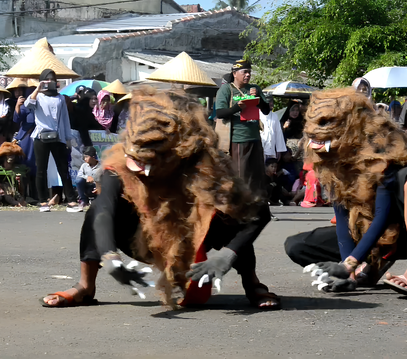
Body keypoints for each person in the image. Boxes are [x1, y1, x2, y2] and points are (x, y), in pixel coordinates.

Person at [41, 88, 280, 310]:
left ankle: (252, 283)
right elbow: (104, 210)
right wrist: (112, 260)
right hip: (142, 239)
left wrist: (227, 255)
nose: (142, 167)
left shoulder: (202, 165)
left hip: (193, 240)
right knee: (95, 213)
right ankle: (85, 286)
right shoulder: (122, 165)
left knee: (232, 212)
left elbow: (258, 212)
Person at [285, 87, 407, 298]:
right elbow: (342, 218)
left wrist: (350, 263)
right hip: (368, 232)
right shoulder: (329, 157)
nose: (313, 132)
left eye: (325, 123)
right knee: (296, 245)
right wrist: (350, 273)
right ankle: (369, 270)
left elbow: (382, 215)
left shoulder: (383, 149)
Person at [24, 69, 82, 213]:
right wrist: (38, 87)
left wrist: (68, 138)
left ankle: (72, 201)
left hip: (58, 136)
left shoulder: (61, 98)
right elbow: (28, 105)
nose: (49, 81)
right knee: (41, 170)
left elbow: (65, 120)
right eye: (47, 79)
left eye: (52, 79)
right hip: (41, 136)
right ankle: (43, 201)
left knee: (63, 168)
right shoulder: (38, 96)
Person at [215, 60, 270, 197]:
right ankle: (241, 208)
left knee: (257, 176)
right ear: (234, 73)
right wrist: (236, 108)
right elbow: (220, 113)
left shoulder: (254, 88)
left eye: (249, 72)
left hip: (255, 138)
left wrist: (258, 98)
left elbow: (267, 110)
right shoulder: (227, 89)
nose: (248, 75)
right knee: (241, 175)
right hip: (238, 139)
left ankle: (258, 209)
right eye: (244, 72)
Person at [11, 83, 36, 199]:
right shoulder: (25, 106)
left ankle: (36, 195)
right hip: (26, 139)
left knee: (37, 167)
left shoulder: (40, 105)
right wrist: (17, 105)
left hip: (38, 139)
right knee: (25, 165)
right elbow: (17, 119)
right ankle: (24, 195)